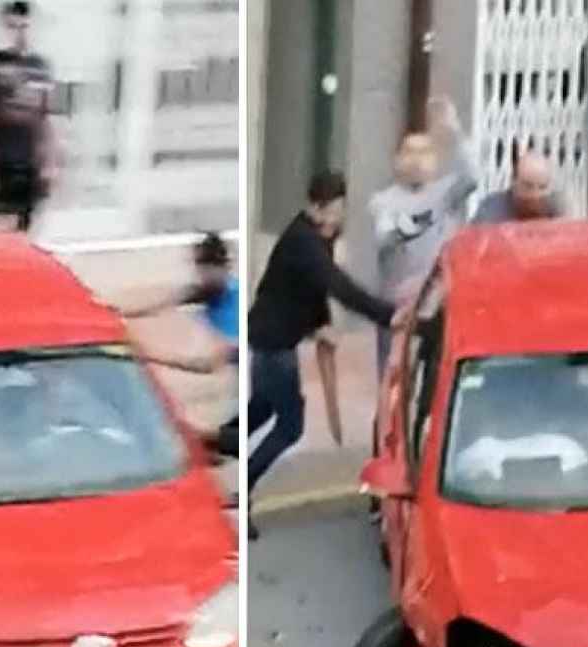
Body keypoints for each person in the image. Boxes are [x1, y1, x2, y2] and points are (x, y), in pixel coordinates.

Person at [248, 171, 396, 538]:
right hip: (274, 345)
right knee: (290, 424)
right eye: (332, 210)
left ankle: (221, 442)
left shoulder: (318, 238)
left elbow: (312, 291)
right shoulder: (304, 242)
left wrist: (320, 325)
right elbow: (339, 287)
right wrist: (390, 316)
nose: (337, 217)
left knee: (263, 408)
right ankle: (244, 487)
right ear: (314, 207)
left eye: (341, 210)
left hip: (273, 340)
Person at [369, 96, 478, 378]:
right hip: (397, 308)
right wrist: (429, 217)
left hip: (438, 304)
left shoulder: (445, 192)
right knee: (393, 381)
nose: (417, 160)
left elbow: (472, 176)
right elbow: (387, 236)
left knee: (436, 377)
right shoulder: (384, 201)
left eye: (425, 152)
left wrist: (453, 129)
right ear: (397, 160)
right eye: (409, 152)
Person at [122, 232, 241, 457]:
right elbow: (157, 303)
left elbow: (208, 365)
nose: (202, 278)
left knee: (208, 440)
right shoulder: (207, 291)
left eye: (207, 271)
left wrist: (146, 355)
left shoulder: (235, 302)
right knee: (211, 443)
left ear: (225, 267)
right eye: (200, 270)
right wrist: (113, 313)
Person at [0, 1, 60, 233]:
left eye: (23, 27)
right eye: (12, 26)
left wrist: (50, 162)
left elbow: (45, 119)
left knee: (25, 228)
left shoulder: (40, 67)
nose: (18, 33)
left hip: (30, 161)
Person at [472, 149, 563, 224]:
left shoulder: (556, 208)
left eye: (542, 187)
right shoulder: (492, 211)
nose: (535, 194)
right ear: (513, 182)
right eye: (528, 186)